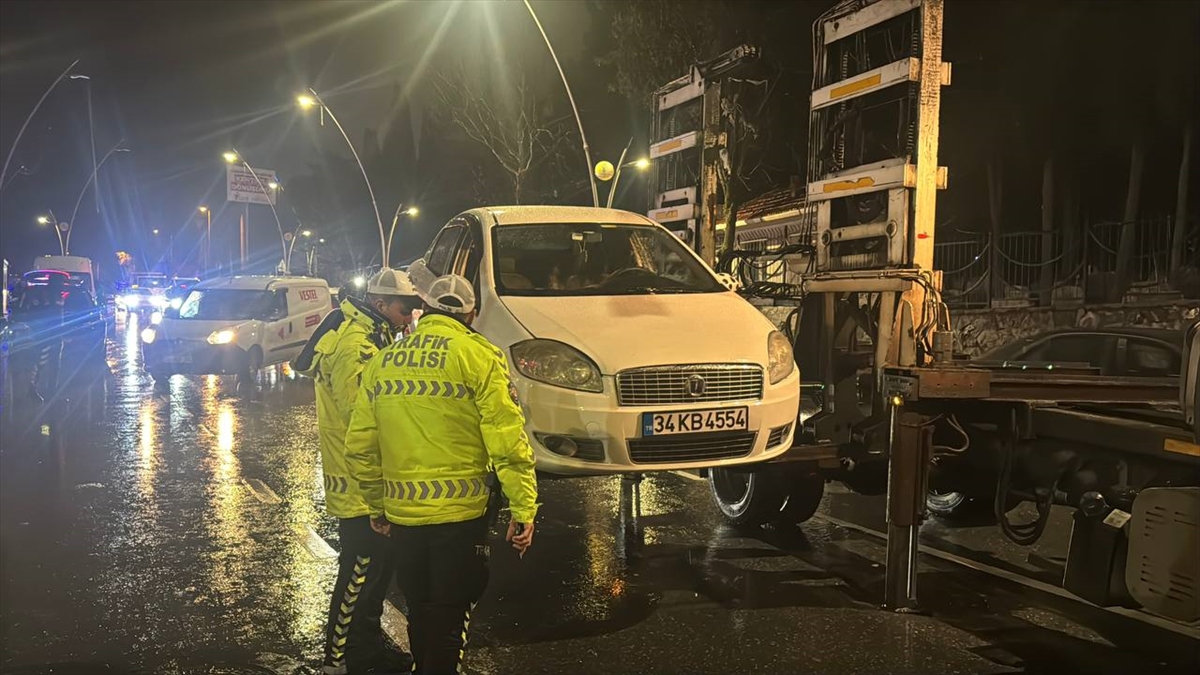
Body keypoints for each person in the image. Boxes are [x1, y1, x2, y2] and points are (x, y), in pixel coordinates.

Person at [344, 273, 538, 675]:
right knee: (450, 615)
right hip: (461, 514)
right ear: (472, 313)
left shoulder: (384, 361)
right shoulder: (480, 356)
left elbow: (360, 446)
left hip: (403, 516)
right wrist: (523, 506)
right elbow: (507, 440)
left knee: (420, 607)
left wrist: (377, 505)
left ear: (424, 308)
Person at [293, 268, 421, 675]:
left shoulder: (375, 334)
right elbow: (362, 418)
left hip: (368, 479)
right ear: (381, 305)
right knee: (359, 575)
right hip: (358, 483)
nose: (409, 317)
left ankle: (367, 652)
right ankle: (340, 661)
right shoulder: (356, 344)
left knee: (376, 575)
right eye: (405, 309)